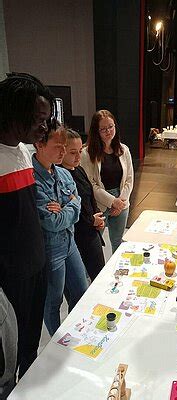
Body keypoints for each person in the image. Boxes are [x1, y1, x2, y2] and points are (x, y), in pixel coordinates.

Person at [0, 72, 55, 379]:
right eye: (38, 118)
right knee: (10, 353)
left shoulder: (23, 152)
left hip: (36, 266)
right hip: (11, 278)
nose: (44, 127)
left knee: (30, 345)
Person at [33, 125, 88, 336]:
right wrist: (72, 204)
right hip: (50, 248)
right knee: (53, 301)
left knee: (81, 292)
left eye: (66, 147)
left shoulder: (64, 174)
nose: (63, 152)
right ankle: (58, 342)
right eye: (58, 147)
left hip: (69, 242)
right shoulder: (33, 179)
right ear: (39, 144)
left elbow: (76, 205)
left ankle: (75, 331)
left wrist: (68, 207)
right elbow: (51, 222)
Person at [81, 110, 134, 253]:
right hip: (99, 203)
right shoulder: (86, 153)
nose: (108, 131)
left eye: (111, 126)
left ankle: (118, 272)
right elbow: (90, 184)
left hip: (122, 200)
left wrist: (120, 202)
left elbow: (129, 179)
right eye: (103, 129)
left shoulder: (124, 150)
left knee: (118, 241)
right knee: (95, 243)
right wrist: (112, 201)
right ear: (96, 131)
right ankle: (92, 275)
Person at [61, 129, 105, 281]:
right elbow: (69, 208)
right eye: (73, 153)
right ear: (62, 150)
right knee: (82, 282)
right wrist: (91, 220)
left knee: (99, 275)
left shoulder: (79, 169)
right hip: (78, 234)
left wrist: (98, 216)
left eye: (80, 151)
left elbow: (90, 197)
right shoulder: (61, 176)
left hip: (91, 231)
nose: (79, 156)